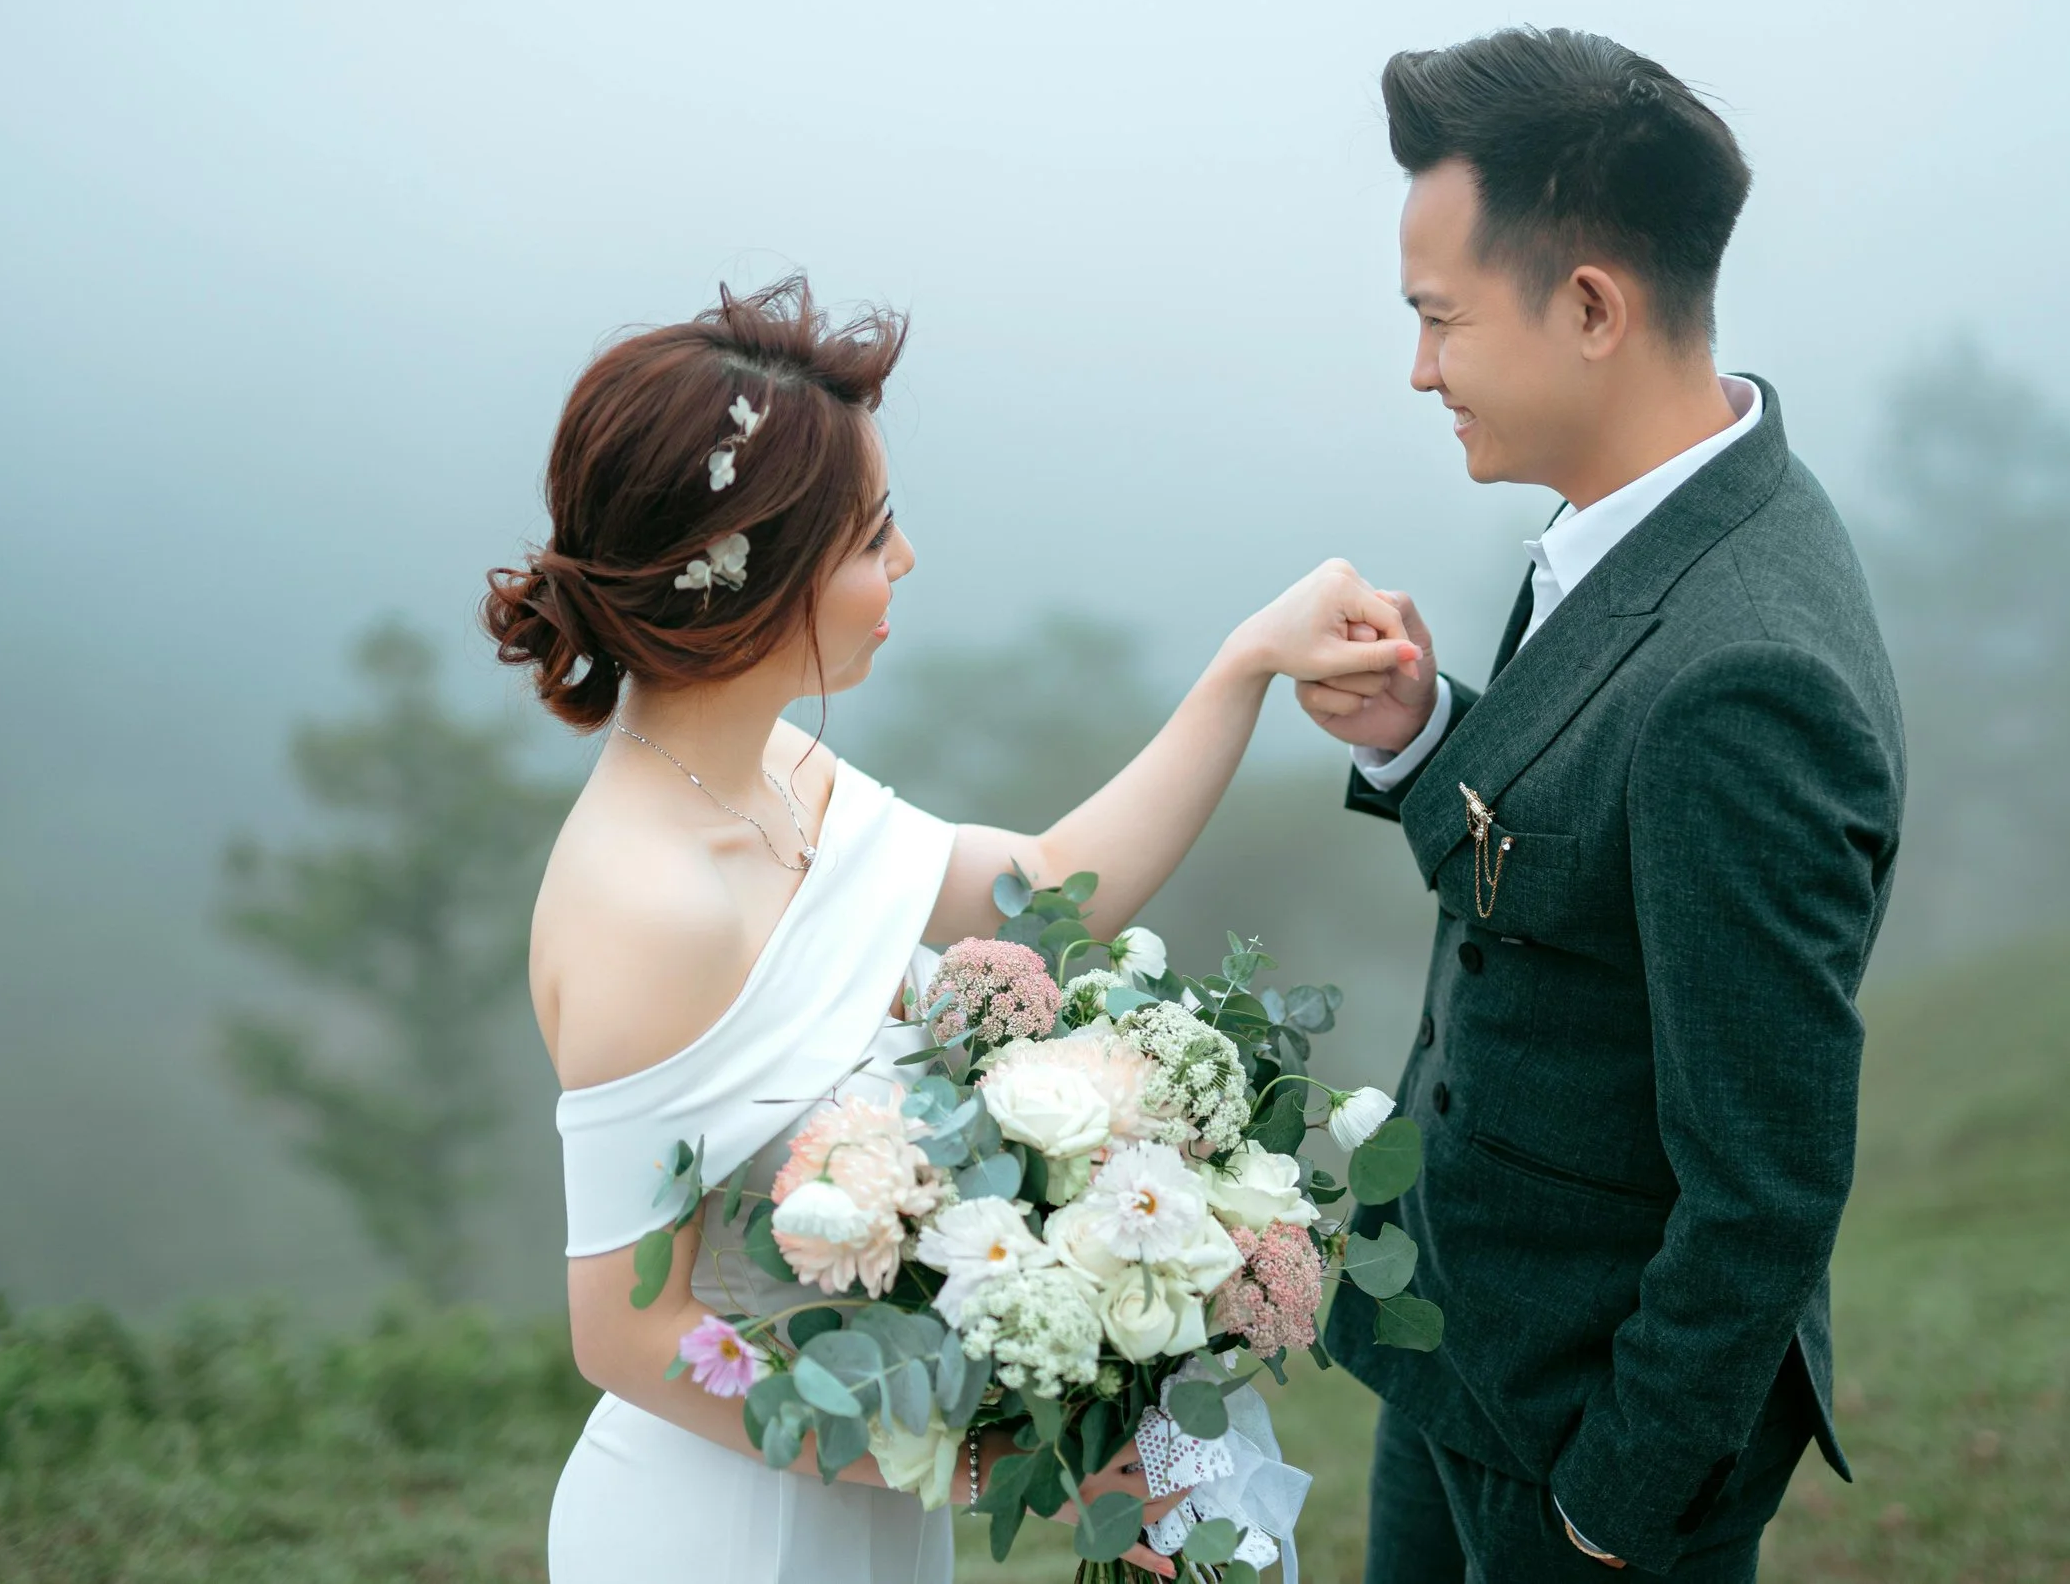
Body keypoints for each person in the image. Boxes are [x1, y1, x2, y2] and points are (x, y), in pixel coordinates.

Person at [480, 279, 1418, 1583]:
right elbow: (630, 1336)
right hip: (719, 1534)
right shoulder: (648, 905)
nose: (906, 560)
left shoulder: (779, 776)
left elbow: (1048, 883)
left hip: (866, 1507)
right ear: (755, 569)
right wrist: (993, 1464)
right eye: (874, 534)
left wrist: (1247, 663)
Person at [1299, 29, 1907, 1582]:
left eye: (1439, 319)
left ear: (1589, 308)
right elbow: (1580, 870)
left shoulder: (1748, 681)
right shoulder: (1641, 515)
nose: (1419, 369)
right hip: (1462, 1357)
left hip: (1582, 1450)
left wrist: (1610, 1507)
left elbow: (1767, 1183)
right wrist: (1425, 735)